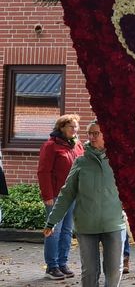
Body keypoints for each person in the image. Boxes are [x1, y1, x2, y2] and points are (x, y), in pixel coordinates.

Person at [44, 120, 125, 286]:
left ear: (106, 135)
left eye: (96, 133)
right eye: (90, 133)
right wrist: (52, 221)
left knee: (114, 269)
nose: (92, 137)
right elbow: (67, 193)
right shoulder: (81, 162)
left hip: (114, 224)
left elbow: (134, 191)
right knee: (89, 271)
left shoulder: (119, 161)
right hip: (86, 225)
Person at [38, 114, 84, 280]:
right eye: (71, 126)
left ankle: (62, 263)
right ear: (62, 127)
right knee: (54, 231)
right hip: (56, 196)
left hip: (73, 195)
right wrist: (47, 195)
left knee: (66, 231)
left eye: (76, 126)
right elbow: (43, 172)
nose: (75, 129)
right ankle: (51, 266)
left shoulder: (77, 145)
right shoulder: (51, 146)